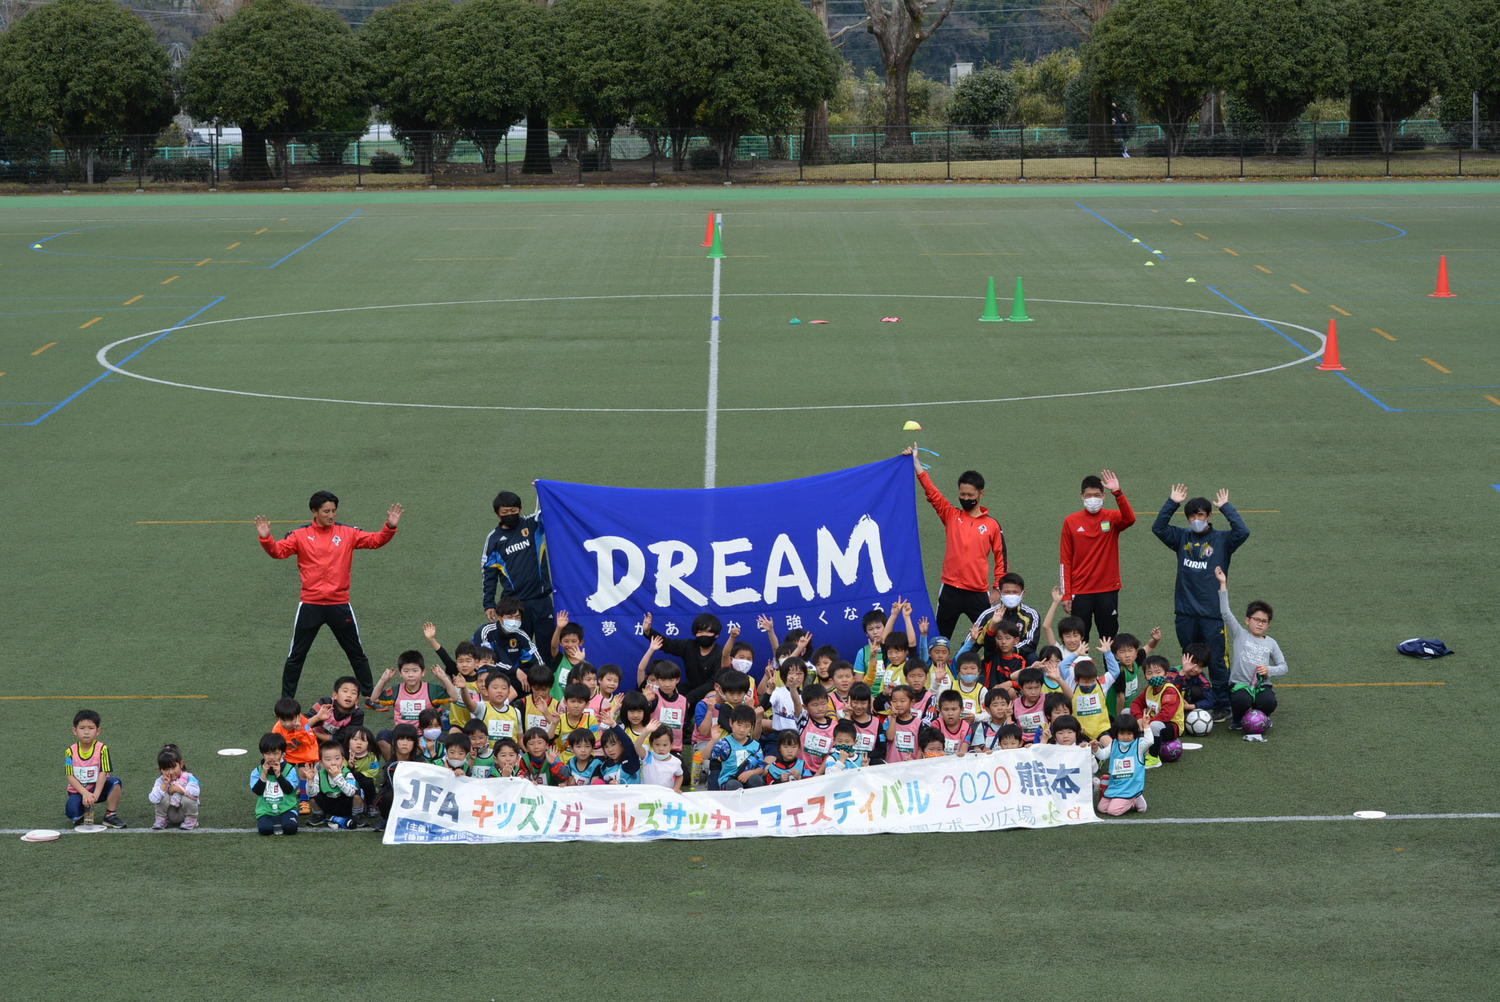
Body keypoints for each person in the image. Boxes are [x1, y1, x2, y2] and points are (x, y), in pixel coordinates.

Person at [256, 491, 402, 699]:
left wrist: (390, 526)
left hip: (339, 604)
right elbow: (278, 551)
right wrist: (266, 538)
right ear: (314, 511)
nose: (331, 515)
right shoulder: (299, 535)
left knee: (356, 653)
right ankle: (287, 701)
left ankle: (371, 695)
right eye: (326, 511)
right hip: (310, 605)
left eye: (334, 510)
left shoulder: (347, 533)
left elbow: (374, 541)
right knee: (296, 655)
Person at [1153, 485, 1251, 721]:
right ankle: (1193, 700)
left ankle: (1222, 703)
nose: (1196, 520)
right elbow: (1158, 528)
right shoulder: (1181, 537)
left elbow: (1243, 531)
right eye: (1192, 516)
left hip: (1213, 614)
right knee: (1190, 661)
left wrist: (1226, 507)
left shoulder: (1223, 540)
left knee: (1217, 660)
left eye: (1200, 515)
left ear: (1208, 517)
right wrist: (1172, 503)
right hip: (1185, 613)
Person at [906, 444, 1006, 641]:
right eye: (962, 495)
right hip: (950, 590)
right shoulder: (951, 515)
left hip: (977, 593)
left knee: (991, 639)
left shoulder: (992, 525)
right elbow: (933, 494)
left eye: (970, 495)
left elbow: (1001, 557)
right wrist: (916, 464)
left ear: (980, 494)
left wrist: (997, 588)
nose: (966, 499)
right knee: (939, 640)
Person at [1059, 470, 1136, 642]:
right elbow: (1065, 561)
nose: (1092, 498)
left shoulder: (1112, 518)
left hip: (1107, 590)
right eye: (1088, 495)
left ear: (1103, 496)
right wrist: (1066, 595)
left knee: (1109, 640)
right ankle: (1078, 669)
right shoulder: (1071, 521)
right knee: (1079, 641)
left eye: (1096, 495)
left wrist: (1118, 492)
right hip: (1080, 591)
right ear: (1082, 496)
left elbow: (1130, 519)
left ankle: (1112, 670)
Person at [1216, 567, 1287, 737]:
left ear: (1268, 624)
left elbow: (1284, 667)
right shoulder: (1240, 634)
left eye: (1264, 621)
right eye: (1256, 619)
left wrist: (1269, 670)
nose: (1260, 624)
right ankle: (1238, 720)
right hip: (1240, 685)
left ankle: (1261, 717)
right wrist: (1223, 583)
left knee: (1269, 702)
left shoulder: (1271, 643)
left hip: (1262, 686)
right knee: (1242, 700)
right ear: (1248, 620)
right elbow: (1225, 612)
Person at [481, 489, 554, 642]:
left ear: (520, 509)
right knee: (516, 652)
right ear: (497, 514)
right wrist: (489, 604)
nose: (510, 514)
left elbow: (550, 510)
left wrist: (543, 489)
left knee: (549, 651)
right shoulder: (493, 539)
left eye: (513, 510)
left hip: (542, 601)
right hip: (514, 607)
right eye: (505, 512)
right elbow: (489, 574)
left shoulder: (533, 524)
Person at [65, 709, 126, 828]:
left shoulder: (102, 749)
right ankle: (82, 812)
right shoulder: (69, 752)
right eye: (82, 728)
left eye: (91, 728)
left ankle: (110, 815)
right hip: (79, 791)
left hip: (99, 789)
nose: (86, 732)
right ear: (74, 731)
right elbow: (70, 776)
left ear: (98, 731)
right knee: (72, 813)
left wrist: (96, 794)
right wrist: (85, 793)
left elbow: (104, 772)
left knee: (116, 783)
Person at [1095, 714, 1149, 816]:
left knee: (1113, 811)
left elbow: (1150, 741)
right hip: (1115, 785)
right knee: (1101, 808)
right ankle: (1135, 798)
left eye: (1129, 733)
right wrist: (1095, 749)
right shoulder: (1114, 744)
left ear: (1134, 733)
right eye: (1122, 733)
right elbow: (1102, 755)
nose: (1125, 737)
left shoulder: (1139, 745)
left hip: (1130, 787)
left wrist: (1146, 726)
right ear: (1116, 733)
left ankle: (1133, 800)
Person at [251, 733, 300, 836]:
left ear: (283, 754)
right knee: (265, 830)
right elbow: (257, 791)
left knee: (290, 828)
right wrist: (264, 774)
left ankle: (287, 818)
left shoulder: (290, 770)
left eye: (275, 753)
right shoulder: (257, 771)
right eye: (268, 754)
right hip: (265, 810)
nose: (271, 757)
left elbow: (289, 790)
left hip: (287, 808)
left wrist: (279, 775)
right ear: (263, 754)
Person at [148, 744, 199, 831]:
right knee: (162, 796)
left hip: (184, 813)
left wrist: (180, 790)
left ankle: (191, 820)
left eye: (173, 767)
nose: (170, 772)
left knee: (188, 799)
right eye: (166, 769)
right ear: (160, 770)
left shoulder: (189, 777)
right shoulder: (160, 781)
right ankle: (161, 820)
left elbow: (196, 792)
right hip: (169, 814)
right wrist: (163, 786)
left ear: (181, 764)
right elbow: (153, 799)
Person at [641, 727, 685, 791]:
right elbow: (637, 746)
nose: (661, 749)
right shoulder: (647, 756)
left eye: (665, 745)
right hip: (647, 793)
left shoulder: (676, 762)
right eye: (657, 744)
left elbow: (679, 776)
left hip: (666, 796)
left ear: (671, 745)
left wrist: (676, 788)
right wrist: (645, 732)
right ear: (651, 744)